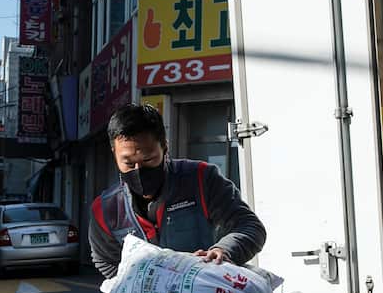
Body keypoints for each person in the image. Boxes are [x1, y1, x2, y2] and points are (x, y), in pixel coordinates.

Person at [89, 104, 265, 279]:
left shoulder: (201, 179)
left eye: (148, 159)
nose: (138, 169)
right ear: (114, 154)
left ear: (165, 147)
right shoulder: (105, 209)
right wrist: (133, 282)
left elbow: (249, 226)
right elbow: (105, 259)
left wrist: (224, 251)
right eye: (128, 163)